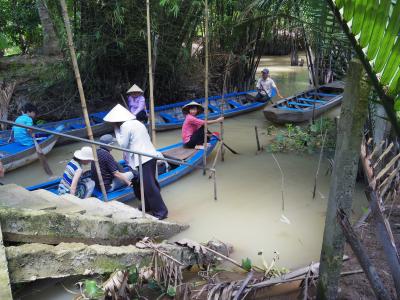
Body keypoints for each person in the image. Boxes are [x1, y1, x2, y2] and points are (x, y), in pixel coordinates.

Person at [103, 104, 168, 220]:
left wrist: (116, 131)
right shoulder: (137, 122)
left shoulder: (124, 126)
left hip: (143, 158)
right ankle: (148, 206)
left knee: (149, 186)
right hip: (150, 156)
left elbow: (123, 144)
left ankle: (161, 212)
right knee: (148, 183)